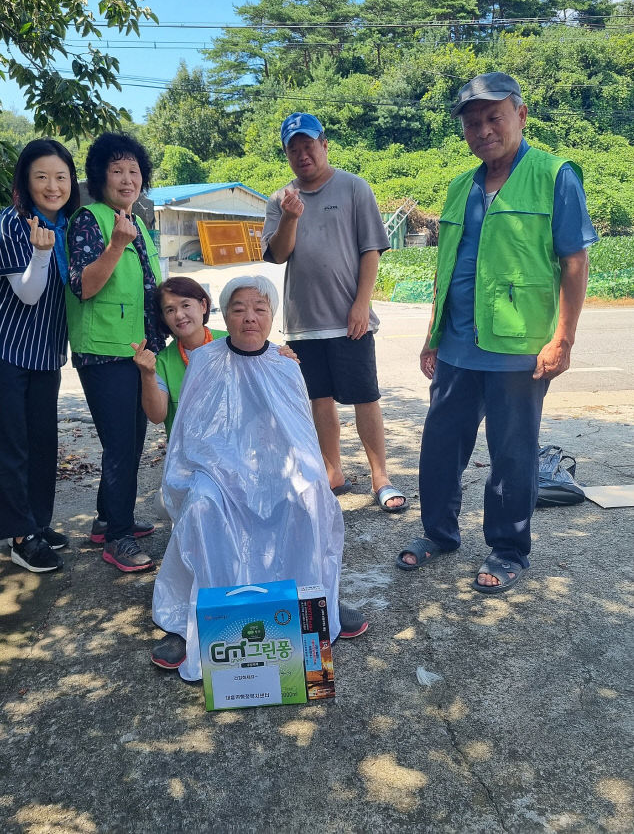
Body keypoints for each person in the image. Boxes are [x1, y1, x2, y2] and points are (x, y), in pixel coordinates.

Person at [397, 72, 598, 593]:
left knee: (512, 453)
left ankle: (508, 549)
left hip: (519, 347)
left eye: (494, 117)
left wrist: (563, 339)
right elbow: (449, 265)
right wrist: (432, 334)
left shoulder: (554, 175)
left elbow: (575, 260)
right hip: (459, 344)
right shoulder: (459, 186)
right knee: (441, 445)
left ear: (520, 116)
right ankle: (438, 534)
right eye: (473, 122)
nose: (484, 130)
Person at [149, 276, 368, 677]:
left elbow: (298, 437)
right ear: (224, 316)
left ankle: (316, 602)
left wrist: (299, 475)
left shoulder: (286, 365)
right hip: (218, 472)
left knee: (312, 495)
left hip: (274, 470)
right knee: (202, 504)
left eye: (260, 309)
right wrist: (223, 470)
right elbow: (191, 436)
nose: (250, 317)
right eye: (239, 309)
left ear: (271, 317)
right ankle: (194, 620)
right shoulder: (203, 361)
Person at [262, 112, 406, 512]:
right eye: (294, 148)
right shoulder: (280, 199)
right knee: (319, 399)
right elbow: (277, 254)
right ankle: (332, 471)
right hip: (303, 322)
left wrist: (362, 304)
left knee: (366, 397)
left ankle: (381, 477)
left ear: (324, 144)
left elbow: (370, 250)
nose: (302, 153)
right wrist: (290, 217)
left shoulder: (354, 188)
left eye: (309, 144)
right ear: (287, 154)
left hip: (350, 319)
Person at [0, 139, 80, 573]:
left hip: (42, 353)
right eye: (42, 177)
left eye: (61, 177)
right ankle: (20, 535)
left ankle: (36, 522)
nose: (53, 186)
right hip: (0, 349)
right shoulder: (11, 224)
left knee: (40, 442)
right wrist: (40, 251)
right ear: (25, 182)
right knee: (9, 445)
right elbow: (29, 293)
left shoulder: (70, 225)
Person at [65, 132, 164, 573]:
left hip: (136, 350)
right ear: (100, 177)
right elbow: (83, 285)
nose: (128, 179)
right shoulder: (91, 220)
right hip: (104, 351)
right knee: (122, 444)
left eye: (134, 171)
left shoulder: (137, 221)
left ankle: (107, 522)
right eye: (117, 170)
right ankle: (118, 539)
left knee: (131, 438)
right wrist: (116, 245)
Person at [131, 276, 228, 442]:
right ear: (163, 318)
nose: (179, 315)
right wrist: (147, 375)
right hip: (187, 458)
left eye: (186, 305)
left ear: (203, 305)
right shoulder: (161, 362)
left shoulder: (231, 343)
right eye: (170, 310)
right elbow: (156, 416)